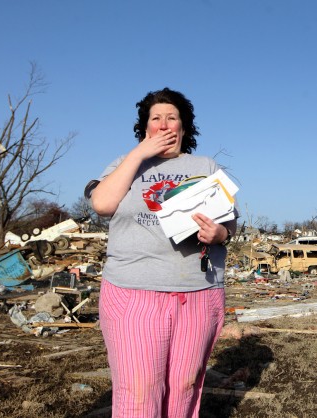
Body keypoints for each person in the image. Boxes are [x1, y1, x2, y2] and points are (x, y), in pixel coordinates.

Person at [86, 87, 238, 417]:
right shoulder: (124, 164)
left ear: (185, 127)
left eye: (173, 118)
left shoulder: (205, 166)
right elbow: (102, 203)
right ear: (145, 127)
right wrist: (139, 153)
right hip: (134, 290)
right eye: (156, 119)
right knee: (140, 390)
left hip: (198, 292)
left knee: (185, 386)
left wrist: (218, 233)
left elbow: (230, 225)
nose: (165, 124)